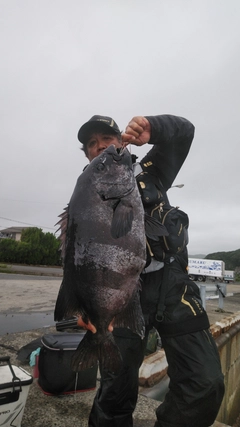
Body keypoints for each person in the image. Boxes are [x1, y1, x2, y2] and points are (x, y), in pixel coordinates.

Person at [76, 114, 225, 427]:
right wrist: (83, 303)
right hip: (123, 296)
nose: (100, 145)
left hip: (173, 288)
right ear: (87, 154)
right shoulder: (85, 194)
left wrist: (154, 128)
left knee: (205, 384)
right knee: (115, 391)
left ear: (122, 141)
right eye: (91, 143)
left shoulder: (153, 172)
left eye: (107, 137)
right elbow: (79, 253)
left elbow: (185, 132)